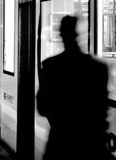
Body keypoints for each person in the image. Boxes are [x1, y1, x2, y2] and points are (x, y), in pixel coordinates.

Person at [37, 15, 110, 160]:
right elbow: (102, 110)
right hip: (92, 146)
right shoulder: (98, 68)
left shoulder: (51, 66)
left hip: (60, 145)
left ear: (62, 35)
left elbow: (42, 107)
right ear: (84, 36)